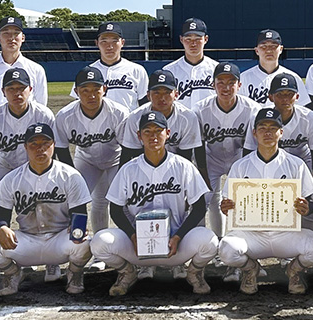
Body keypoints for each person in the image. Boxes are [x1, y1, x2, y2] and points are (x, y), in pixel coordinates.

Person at [89, 111, 219, 297]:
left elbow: (198, 208)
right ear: (139, 136)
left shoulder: (183, 166)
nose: (153, 136)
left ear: (168, 133)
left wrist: (179, 237)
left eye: (158, 131)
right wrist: (132, 236)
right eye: (147, 131)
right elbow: (115, 209)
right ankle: (128, 272)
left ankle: (194, 272)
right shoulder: (128, 169)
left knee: (210, 241)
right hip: (139, 248)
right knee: (99, 242)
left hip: (176, 247)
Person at [219, 108, 313, 295]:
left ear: (281, 132)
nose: (268, 132)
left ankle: (294, 270)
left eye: (273, 128)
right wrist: (226, 206)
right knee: (226, 249)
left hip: (285, 234)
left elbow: (310, 204)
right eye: (262, 128)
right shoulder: (240, 165)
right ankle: (250, 269)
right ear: (254, 133)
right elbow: (227, 203)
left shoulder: (296, 164)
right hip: (252, 236)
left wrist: (305, 208)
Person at [0, 123, 93, 296]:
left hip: (59, 240)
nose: (40, 149)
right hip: (27, 241)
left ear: (53, 145)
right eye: (34, 144)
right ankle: (12, 273)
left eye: (45, 143)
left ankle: (74, 272)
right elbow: (0, 216)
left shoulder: (70, 176)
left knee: (85, 242)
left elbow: (79, 213)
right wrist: (2, 227)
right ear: (25, 147)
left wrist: (77, 227)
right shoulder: (12, 179)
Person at [0, 68, 56, 283]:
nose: (17, 93)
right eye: (11, 89)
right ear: (3, 92)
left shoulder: (43, 114)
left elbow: (51, 150)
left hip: (37, 165)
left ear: (31, 89)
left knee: (46, 205)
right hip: (5, 166)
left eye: (21, 88)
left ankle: (52, 260)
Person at [244, 73, 313, 235]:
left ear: (297, 96)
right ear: (270, 97)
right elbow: (248, 153)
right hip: (272, 162)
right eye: (280, 94)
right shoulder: (259, 117)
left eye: (289, 94)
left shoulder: (308, 117)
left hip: (303, 162)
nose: (285, 99)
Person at [54, 67, 129, 252]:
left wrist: (123, 176)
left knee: (125, 201)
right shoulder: (65, 116)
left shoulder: (119, 112)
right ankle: (97, 250)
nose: (91, 95)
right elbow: (61, 150)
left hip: (116, 158)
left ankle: (130, 246)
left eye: (96, 89)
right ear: (76, 91)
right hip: (86, 159)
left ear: (105, 89)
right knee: (82, 199)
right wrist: (73, 180)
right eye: (85, 90)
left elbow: (128, 148)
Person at [193, 62, 261, 238]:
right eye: (220, 82)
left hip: (240, 158)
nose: (226, 87)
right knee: (204, 200)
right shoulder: (200, 109)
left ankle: (246, 243)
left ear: (239, 85)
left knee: (242, 200)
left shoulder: (252, 109)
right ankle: (206, 241)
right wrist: (203, 175)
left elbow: (249, 148)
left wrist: (244, 177)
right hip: (210, 159)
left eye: (231, 82)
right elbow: (199, 145)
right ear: (213, 85)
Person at [119, 69, 203, 164]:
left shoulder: (188, 117)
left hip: (177, 164)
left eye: (167, 92)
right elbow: (130, 151)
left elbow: (185, 155)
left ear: (176, 94)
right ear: (148, 95)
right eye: (156, 92)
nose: (162, 98)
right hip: (145, 163)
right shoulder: (135, 117)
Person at [0, 16, 48, 114]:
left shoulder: (36, 69)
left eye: (16, 33)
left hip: (26, 126)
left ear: (23, 38)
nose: (11, 38)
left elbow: (41, 105)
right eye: (6, 33)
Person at [82, 21, 149, 110]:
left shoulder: (137, 70)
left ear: (122, 43)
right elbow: (79, 104)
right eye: (104, 41)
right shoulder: (87, 72)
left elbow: (146, 105)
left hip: (128, 123)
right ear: (97, 43)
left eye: (114, 41)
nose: (110, 46)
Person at [239, 29, 310, 108]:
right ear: (256, 51)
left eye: (273, 46)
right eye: (263, 46)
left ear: (281, 49)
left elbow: (303, 107)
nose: (269, 50)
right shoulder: (243, 78)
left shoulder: (294, 78)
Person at [164, 18, 219, 109]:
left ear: (205, 39)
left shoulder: (216, 69)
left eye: (197, 39)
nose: (193, 44)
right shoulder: (169, 71)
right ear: (181, 39)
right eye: (188, 39)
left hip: (209, 121)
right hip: (180, 122)